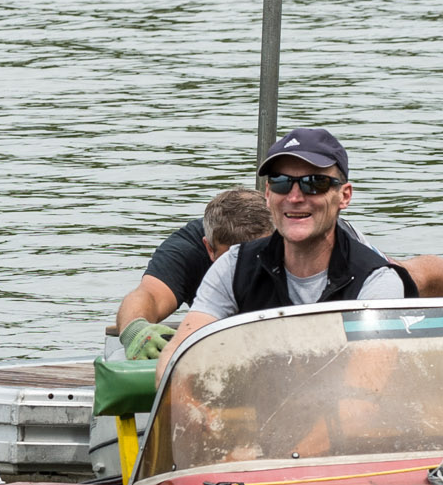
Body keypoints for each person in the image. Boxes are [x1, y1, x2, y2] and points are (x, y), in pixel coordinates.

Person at [165, 126, 424, 353]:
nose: (295, 196)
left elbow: (367, 384)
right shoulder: (233, 265)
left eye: (315, 183)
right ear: (267, 194)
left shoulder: (377, 282)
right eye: (281, 182)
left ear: (344, 196)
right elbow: (179, 354)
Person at [114, 188, 272, 355]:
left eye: (256, 257)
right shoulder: (186, 250)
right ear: (209, 248)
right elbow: (150, 294)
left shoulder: (294, 240)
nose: (244, 270)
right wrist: (136, 330)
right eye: (231, 260)